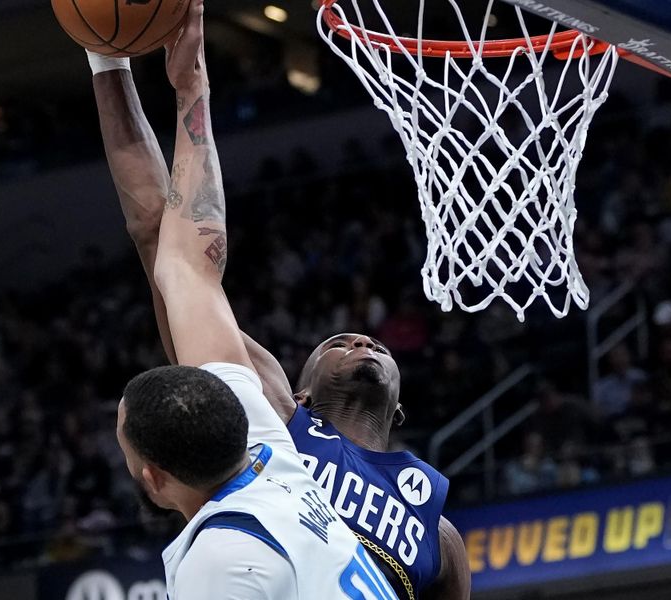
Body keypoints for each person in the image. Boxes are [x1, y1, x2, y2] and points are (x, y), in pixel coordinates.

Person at [89, 3, 470, 599]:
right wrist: (111, 59)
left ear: (399, 409)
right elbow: (168, 246)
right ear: (300, 393)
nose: (359, 339)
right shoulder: (273, 430)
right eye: (336, 342)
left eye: (365, 341)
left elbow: (187, 265)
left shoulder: (437, 532)